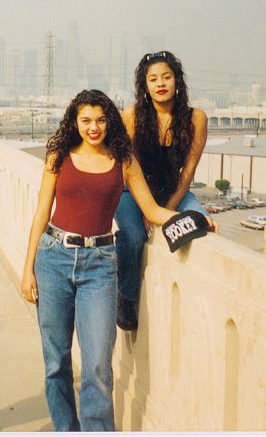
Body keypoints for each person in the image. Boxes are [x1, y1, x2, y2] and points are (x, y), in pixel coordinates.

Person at [20, 89, 182, 432]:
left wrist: (195, 219)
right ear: (74, 123)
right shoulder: (58, 155)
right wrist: (28, 269)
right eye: (86, 120)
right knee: (56, 361)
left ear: (109, 121)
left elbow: (151, 209)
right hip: (53, 259)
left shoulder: (124, 159)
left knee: (97, 367)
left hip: (100, 264)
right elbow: (40, 213)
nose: (94, 128)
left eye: (100, 120)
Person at [114, 50, 216, 331]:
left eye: (166, 77)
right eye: (153, 79)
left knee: (202, 224)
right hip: (132, 193)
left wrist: (167, 209)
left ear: (177, 81)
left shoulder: (197, 118)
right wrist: (148, 208)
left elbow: (189, 172)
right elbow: (127, 169)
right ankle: (126, 296)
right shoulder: (132, 116)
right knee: (134, 237)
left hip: (175, 191)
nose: (160, 84)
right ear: (144, 85)